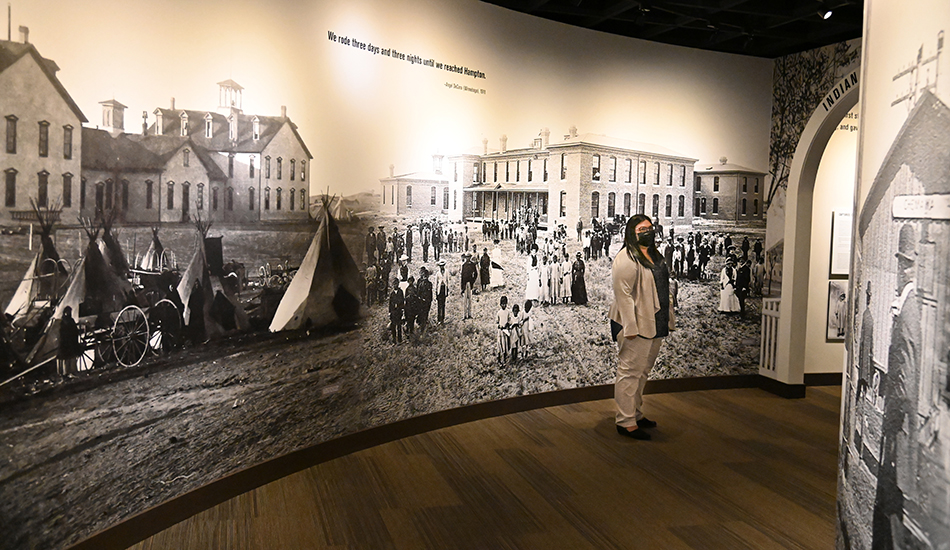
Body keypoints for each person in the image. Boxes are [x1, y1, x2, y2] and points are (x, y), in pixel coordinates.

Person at [872, 225, 920, 548]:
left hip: (898, 426)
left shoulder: (910, 310)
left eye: (906, 264)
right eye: (901, 262)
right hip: (896, 424)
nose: (901, 269)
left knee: (892, 499)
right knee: (888, 496)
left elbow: (908, 374)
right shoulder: (903, 306)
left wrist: (893, 421)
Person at [609, 214, 672, 441]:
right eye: (642, 229)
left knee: (643, 371)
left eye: (650, 228)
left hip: (655, 321)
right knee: (629, 372)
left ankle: (634, 412)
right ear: (632, 234)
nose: (648, 232)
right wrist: (630, 328)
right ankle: (625, 421)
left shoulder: (655, 255)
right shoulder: (626, 258)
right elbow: (623, 295)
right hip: (634, 323)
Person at [57, 306, 81, 377]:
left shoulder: (70, 320)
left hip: (70, 341)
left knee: (70, 357)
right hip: (65, 342)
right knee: (66, 358)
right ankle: (66, 372)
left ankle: (71, 371)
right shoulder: (63, 321)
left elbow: (75, 331)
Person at [461, 253, 478, 320]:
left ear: (470, 257)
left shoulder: (472, 265)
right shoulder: (464, 265)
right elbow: (462, 277)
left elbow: (476, 274)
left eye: (469, 257)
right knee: (465, 300)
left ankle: (470, 314)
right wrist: (462, 287)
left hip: (470, 284)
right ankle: (464, 315)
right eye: (466, 257)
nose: (468, 258)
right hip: (465, 284)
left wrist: (472, 281)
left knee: (470, 299)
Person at [388, 277, 404, 344]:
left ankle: (400, 340)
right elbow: (390, 304)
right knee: (393, 326)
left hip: (399, 311)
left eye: (396, 284)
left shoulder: (400, 292)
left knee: (399, 326)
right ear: (392, 285)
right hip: (393, 312)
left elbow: (402, 301)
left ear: (398, 284)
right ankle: (394, 339)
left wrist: (401, 308)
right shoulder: (392, 294)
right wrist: (390, 312)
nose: (395, 285)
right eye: (394, 284)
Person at [496, 296, 511, 364]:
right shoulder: (499, 312)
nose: (503, 305)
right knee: (500, 344)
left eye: (505, 304)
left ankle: (504, 358)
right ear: (500, 304)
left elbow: (509, 320)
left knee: (505, 344)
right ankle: (499, 357)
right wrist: (499, 326)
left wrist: (507, 324)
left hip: (505, 331)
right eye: (502, 304)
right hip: (500, 331)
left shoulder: (508, 312)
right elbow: (497, 322)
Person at [434, 260, 448, 325]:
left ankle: (443, 319)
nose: (441, 267)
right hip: (439, 290)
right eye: (440, 266)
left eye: (442, 266)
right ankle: (439, 318)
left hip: (444, 289)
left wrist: (447, 289)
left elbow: (447, 281)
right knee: (439, 305)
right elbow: (436, 283)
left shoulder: (446, 272)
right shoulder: (437, 273)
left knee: (443, 304)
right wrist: (436, 291)